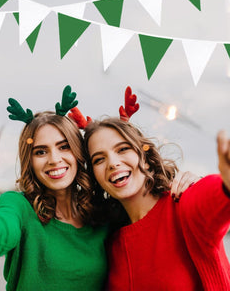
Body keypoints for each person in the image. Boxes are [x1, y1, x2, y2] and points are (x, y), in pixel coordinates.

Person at [0, 86, 198, 291]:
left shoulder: (105, 216)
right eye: (40, 151)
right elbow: (2, 231)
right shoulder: (18, 206)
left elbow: (150, 214)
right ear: (29, 160)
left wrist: (190, 185)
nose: (54, 159)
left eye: (64, 147)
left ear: (79, 152)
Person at [84, 116, 230, 290]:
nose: (113, 163)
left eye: (122, 149)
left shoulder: (181, 204)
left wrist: (226, 184)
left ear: (144, 159)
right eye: (99, 159)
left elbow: (213, 196)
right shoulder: (110, 241)